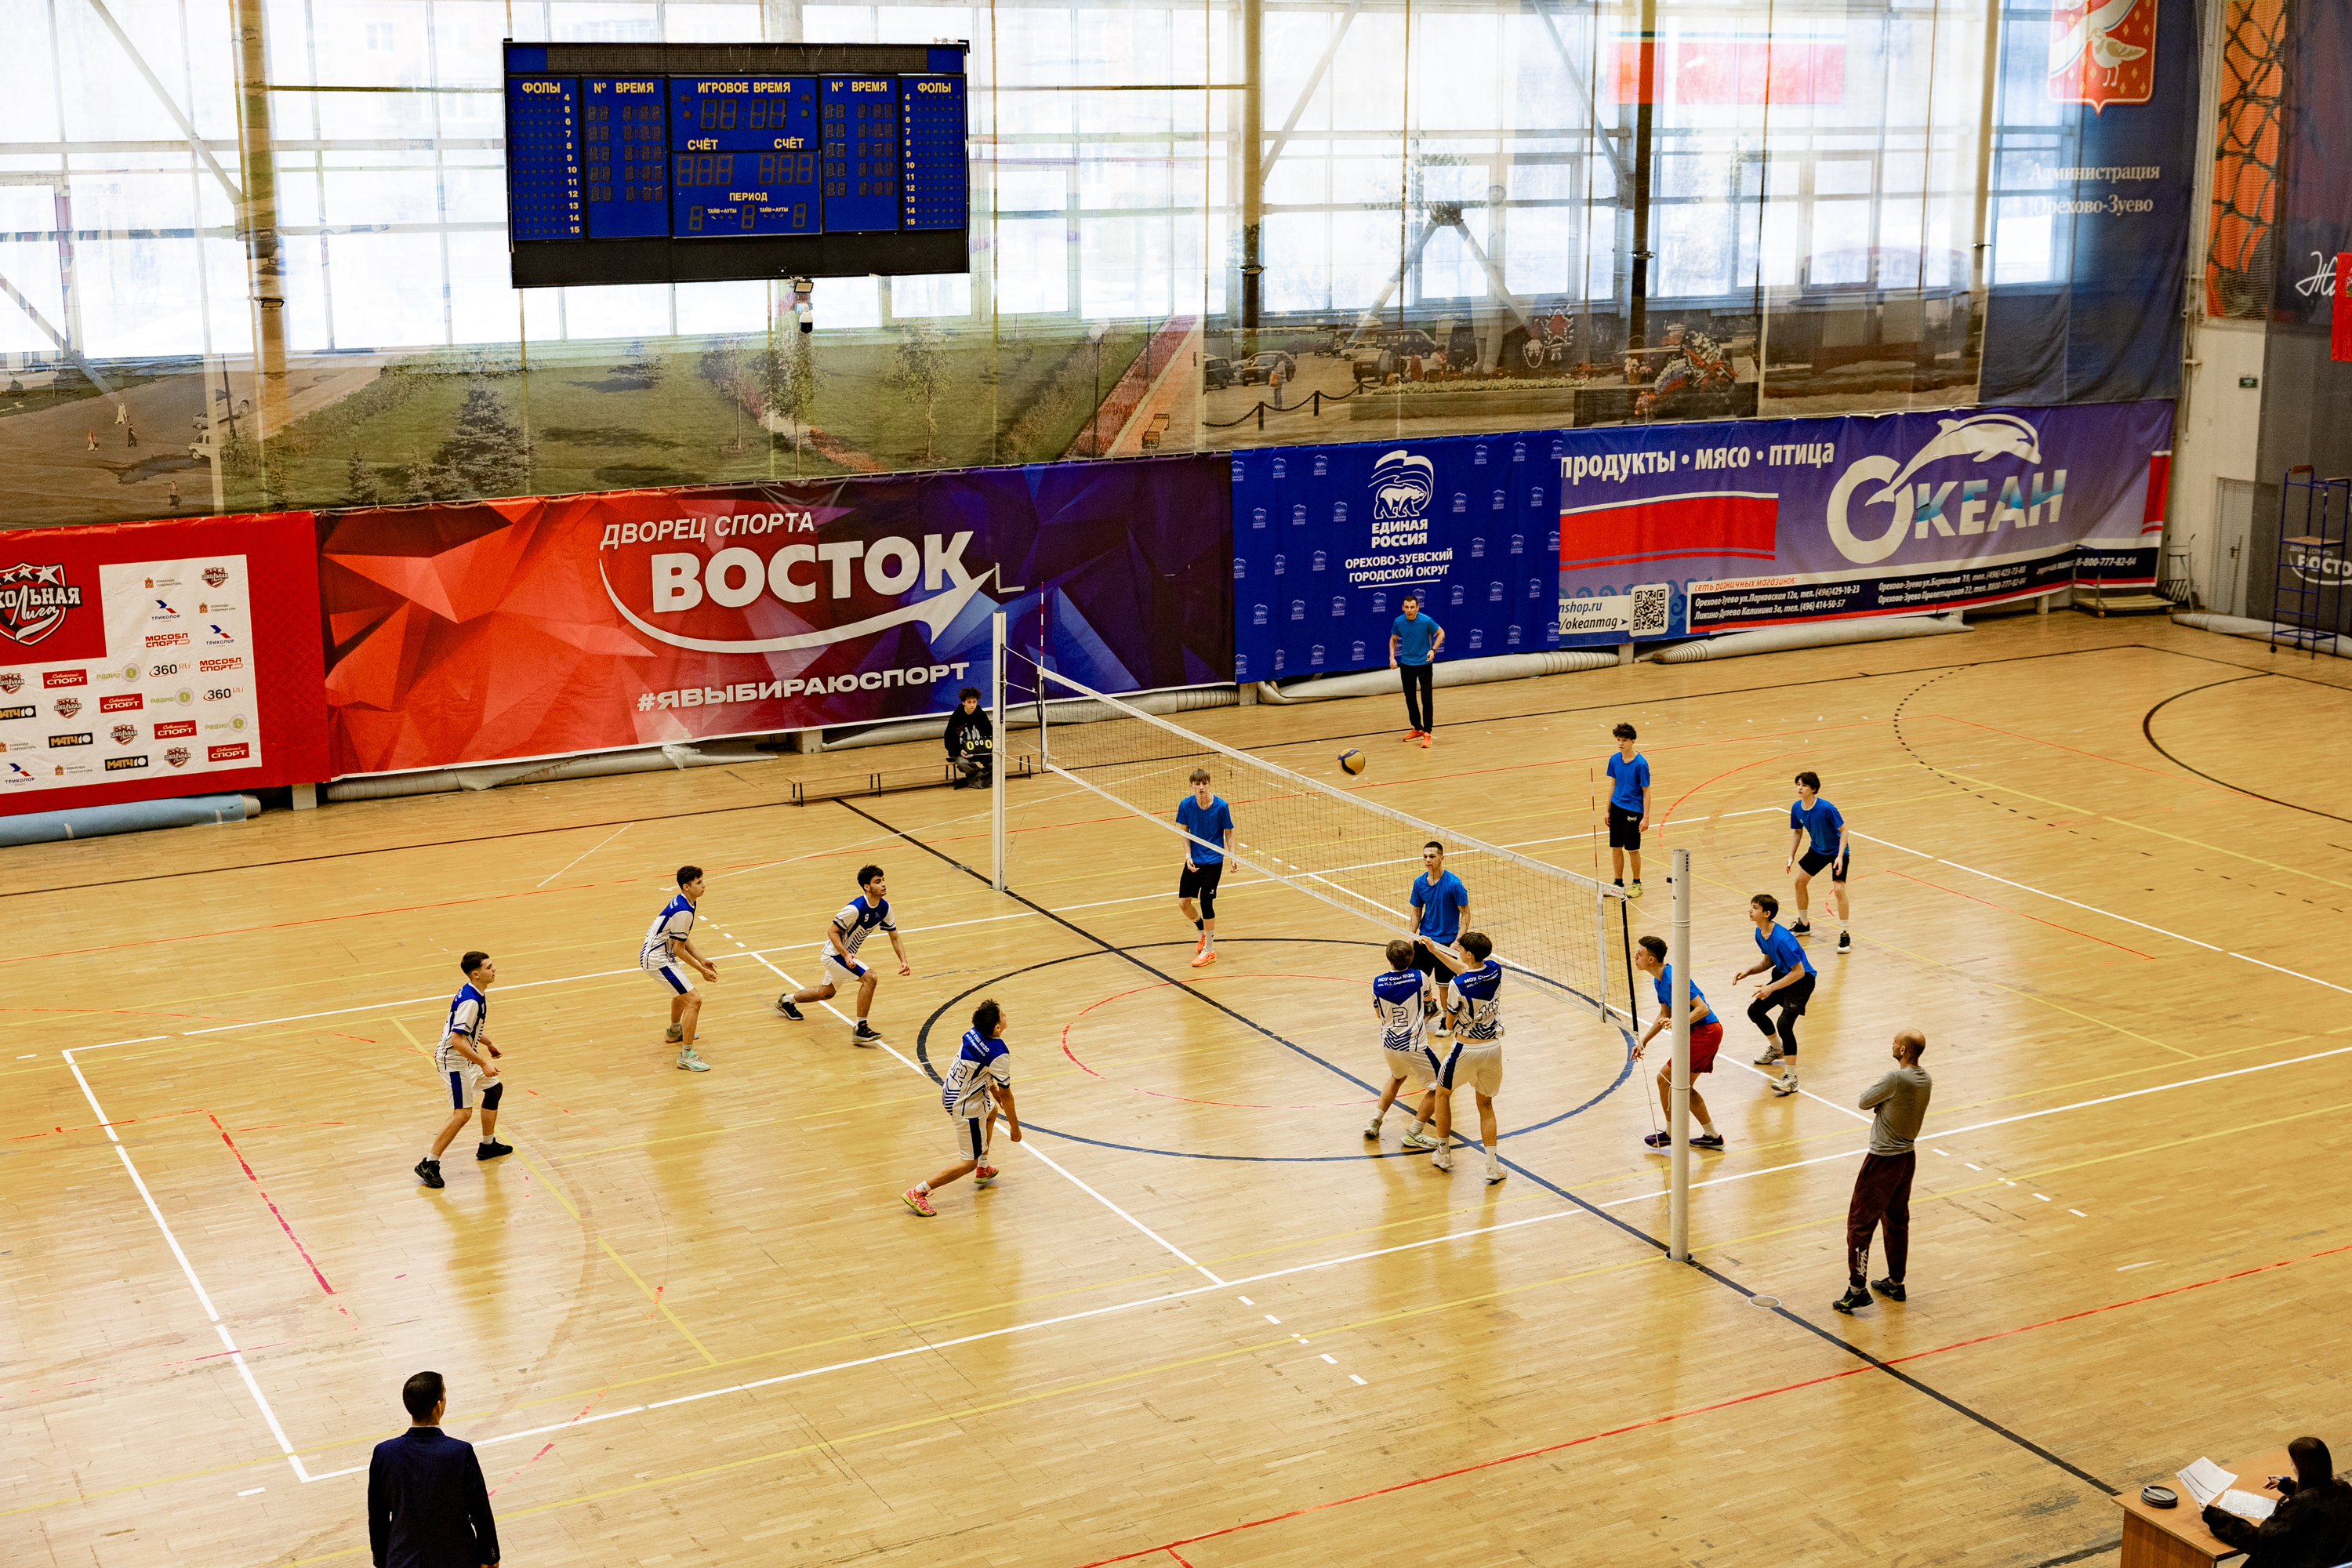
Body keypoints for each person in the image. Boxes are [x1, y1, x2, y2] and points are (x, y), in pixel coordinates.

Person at [1834, 1030, 1933, 1315]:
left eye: (1895, 1042)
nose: (1892, 1044)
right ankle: (1896, 1282)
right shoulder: (1925, 1078)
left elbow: (1864, 1101)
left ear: (1902, 1050)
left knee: (1859, 1225)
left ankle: (1857, 1290)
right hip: (1906, 1158)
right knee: (1897, 1220)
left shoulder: (1896, 1079)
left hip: (1882, 1160)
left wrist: (1882, 1104)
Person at [367, 1370, 500, 1568]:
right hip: (457, 1561)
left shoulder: (384, 1454)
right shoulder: (460, 1452)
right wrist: (490, 1556)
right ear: (439, 1406)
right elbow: (480, 1511)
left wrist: (380, 1559)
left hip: (402, 1561)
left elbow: (378, 1518)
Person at [904, 998, 1022, 1216]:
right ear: (997, 1027)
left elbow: (981, 1069)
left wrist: (992, 1092)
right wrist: (1015, 1128)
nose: (1005, 1015)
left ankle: (983, 1168)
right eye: (1002, 1015)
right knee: (968, 1162)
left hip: (952, 1090)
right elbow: (1007, 1094)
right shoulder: (998, 1053)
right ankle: (918, 1192)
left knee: (992, 1112)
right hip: (965, 1106)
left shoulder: (973, 1033)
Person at [773, 864, 909, 1044]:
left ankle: (786, 1001)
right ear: (867, 887)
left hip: (846, 956)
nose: (883, 884)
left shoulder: (884, 908)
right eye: (878, 881)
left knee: (826, 993)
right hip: (835, 955)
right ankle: (861, 1028)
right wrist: (845, 954)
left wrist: (903, 960)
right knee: (870, 978)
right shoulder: (854, 909)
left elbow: (894, 936)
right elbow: (832, 931)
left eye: (883, 880)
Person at [1417, 931, 1508, 1183]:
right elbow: (1466, 970)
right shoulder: (1495, 969)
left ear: (1468, 954)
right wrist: (1435, 951)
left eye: (1460, 949)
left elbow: (1449, 1022)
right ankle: (1492, 1167)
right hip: (1492, 1050)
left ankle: (1444, 1154)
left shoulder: (1457, 985)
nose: (1457, 951)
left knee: (1442, 1095)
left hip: (1465, 1051)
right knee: (1486, 1107)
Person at [416, 952, 510, 1189]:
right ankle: (429, 1163)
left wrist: (488, 1043)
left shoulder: (474, 991)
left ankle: (487, 1145)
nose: (494, 970)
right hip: (455, 1061)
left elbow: (468, 1029)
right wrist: (484, 1063)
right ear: (476, 974)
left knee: (494, 1090)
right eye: (489, 967)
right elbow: (457, 1040)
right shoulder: (471, 1001)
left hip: (465, 1056)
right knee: (462, 1114)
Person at [1631, 935, 1725, 1150]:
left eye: (1639, 954)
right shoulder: (1659, 980)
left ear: (1651, 959)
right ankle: (1713, 1136)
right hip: (1697, 1033)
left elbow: (1703, 1009)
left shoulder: (1675, 978)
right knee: (1684, 1088)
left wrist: (1677, 1021)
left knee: (1664, 1080)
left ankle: (1671, 1134)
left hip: (1706, 1032)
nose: (1635, 957)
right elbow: (1665, 1013)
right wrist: (1644, 1041)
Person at [2202, 1436, 2352, 1567]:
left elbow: (2258, 1542)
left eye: (2292, 1464)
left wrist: (2214, 1516)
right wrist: (2288, 1485)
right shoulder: (2344, 1488)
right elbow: (2320, 1497)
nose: (2291, 1468)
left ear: (2302, 1469)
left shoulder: (2299, 1506)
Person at [1732, 891, 1815, 1096]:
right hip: (1783, 975)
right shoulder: (1760, 932)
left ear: (1767, 913)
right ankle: (1777, 1049)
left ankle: (1791, 1078)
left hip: (1801, 981)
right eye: (1751, 906)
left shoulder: (1782, 939)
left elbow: (1799, 972)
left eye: (1755, 908)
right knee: (1755, 1011)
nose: (1750, 910)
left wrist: (1771, 987)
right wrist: (1749, 971)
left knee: (1784, 1025)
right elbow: (1769, 961)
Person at [1363, 937, 1440, 1149]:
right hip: (1414, 1045)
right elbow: (1429, 1003)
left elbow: (1379, 1014)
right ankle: (1414, 1133)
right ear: (1411, 959)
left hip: (1389, 1044)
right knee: (1441, 1087)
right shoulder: (1420, 977)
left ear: (1389, 960)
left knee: (1397, 1077)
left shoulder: (1377, 982)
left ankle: (1375, 1121)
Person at [642, 866, 720, 1072]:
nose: (704, 885)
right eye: (699, 883)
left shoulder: (687, 902)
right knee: (694, 1000)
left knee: (682, 992)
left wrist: (702, 960)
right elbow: (679, 949)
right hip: (658, 959)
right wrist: (701, 970)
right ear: (686, 887)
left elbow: (681, 938)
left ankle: (675, 1031)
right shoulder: (683, 910)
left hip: (661, 954)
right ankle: (686, 1056)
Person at [1406, 840, 1470, 1034]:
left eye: (1432, 856)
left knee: (1444, 986)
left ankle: (1446, 1020)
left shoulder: (1453, 884)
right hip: (1425, 940)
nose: (1428, 860)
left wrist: (1458, 940)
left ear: (1442, 858)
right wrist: (1411, 935)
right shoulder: (1419, 883)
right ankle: (1430, 1007)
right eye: (1425, 856)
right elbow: (1416, 912)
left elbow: (1466, 913)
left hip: (1446, 943)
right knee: (1417, 980)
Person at [1175, 767, 1235, 969]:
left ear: (1209, 784)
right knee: (1184, 904)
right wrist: (1188, 856)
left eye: (1204, 783)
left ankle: (1209, 950)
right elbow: (1185, 833)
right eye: (1197, 784)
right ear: (1191, 785)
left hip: (1214, 860)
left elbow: (1229, 832)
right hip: (1194, 859)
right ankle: (1201, 930)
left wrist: (1232, 856)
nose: (1201, 787)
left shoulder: (1221, 806)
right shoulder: (1185, 805)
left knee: (1206, 901)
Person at [1787, 771, 1852, 953]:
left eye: (1804, 785)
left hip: (1837, 852)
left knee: (1839, 890)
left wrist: (1840, 856)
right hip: (1817, 850)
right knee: (1799, 882)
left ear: (1813, 789)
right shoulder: (1796, 808)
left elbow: (1844, 830)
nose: (1799, 788)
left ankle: (1845, 934)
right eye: (1798, 784)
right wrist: (1791, 855)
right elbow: (1797, 831)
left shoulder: (1827, 808)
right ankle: (1804, 924)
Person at [1388, 593, 1445, 747]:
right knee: (1410, 699)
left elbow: (1441, 633)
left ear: (1417, 608)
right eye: (1406, 607)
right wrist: (1392, 657)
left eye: (1412, 607)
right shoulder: (1398, 621)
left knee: (1426, 699)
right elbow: (1393, 639)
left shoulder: (1426, 620)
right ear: (1402, 608)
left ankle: (1427, 733)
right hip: (1406, 665)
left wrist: (1433, 649)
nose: (1409, 610)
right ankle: (1417, 729)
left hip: (1424, 665)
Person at [1605, 722, 1651, 898]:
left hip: (1633, 809)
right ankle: (1618, 883)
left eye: (1624, 740)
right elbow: (1613, 784)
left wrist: (1646, 817)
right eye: (1618, 740)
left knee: (1632, 849)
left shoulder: (1641, 764)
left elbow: (1646, 791)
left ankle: (1637, 883)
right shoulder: (1614, 759)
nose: (1620, 743)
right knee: (1615, 847)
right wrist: (1607, 810)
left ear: (1633, 741)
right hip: (1616, 807)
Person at [944, 685, 993, 789]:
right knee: (963, 763)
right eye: (969, 702)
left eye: (974, 702)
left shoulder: (981, 715)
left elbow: (990, 733)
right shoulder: (956, 717)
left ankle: (970, 780)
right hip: (963, 752)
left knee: (997, 763)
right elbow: (948, 739)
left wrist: (988, 748)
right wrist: (959, 750)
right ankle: (980, 780)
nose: (972, 705)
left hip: (980, 750)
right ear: (963, 702)